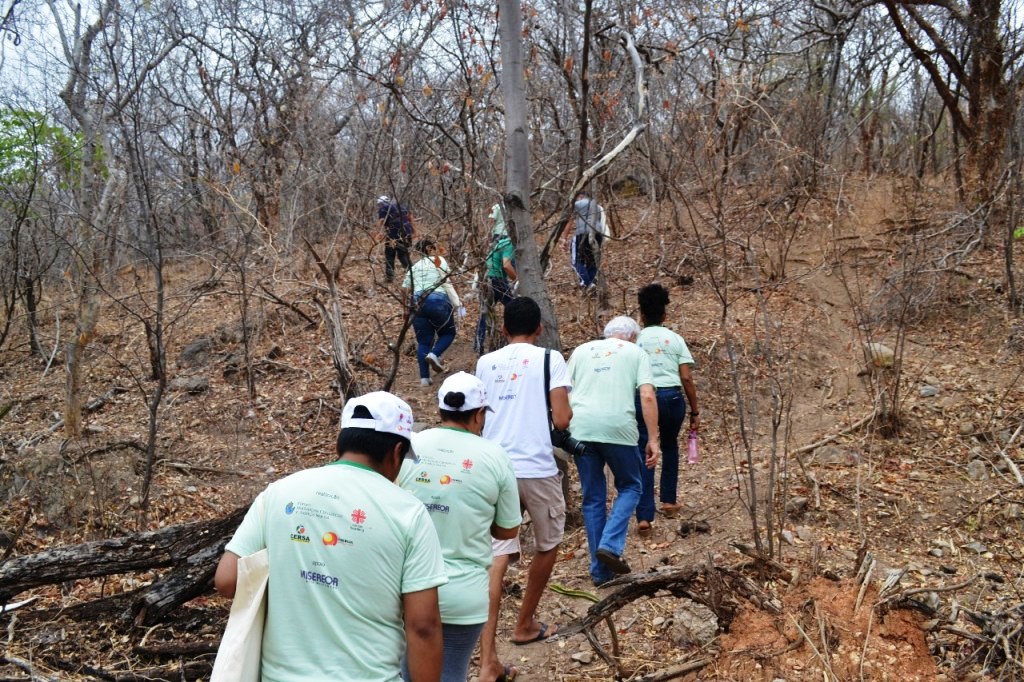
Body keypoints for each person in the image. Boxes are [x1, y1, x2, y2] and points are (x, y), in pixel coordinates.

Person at [214, 391, 446, 682]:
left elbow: (226, 580)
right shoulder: (409, 513)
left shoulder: (279, 492)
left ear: (342, 441)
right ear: (397, 452)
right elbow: (423, 625)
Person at [398, 372, 522, 682]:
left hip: (407, 587)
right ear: (479, 414)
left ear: (440, 410)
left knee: (408, 672)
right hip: (462, 592)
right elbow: (508, 531)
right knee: (450, 672)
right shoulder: (495, 457)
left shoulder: (409, 445)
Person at [474, 296, 572, 682]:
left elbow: (477, 416)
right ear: (539, 329)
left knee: (496, 557)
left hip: (494, 468)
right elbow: (561, 419)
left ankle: (487, 661)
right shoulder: (551, 359)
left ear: (502, 329)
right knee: (547, 544)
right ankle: (525, 623)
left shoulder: (484, 363)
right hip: (536, 465)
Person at [566, 316, 660, 586]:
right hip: (618, 428)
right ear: (632, 336)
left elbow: (564, 389)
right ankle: (610, 544)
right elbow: (647, 395)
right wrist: (653, 438)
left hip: (581, 428)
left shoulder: (582, 351)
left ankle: (600, 571)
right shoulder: (636, 352)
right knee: (631, 486)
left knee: (593, 498)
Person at [634, 284, 701, 535]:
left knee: (645, 450)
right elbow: (686, 378)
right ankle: (669, 501)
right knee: (670, 445)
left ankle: (644, 514)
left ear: (641, 314)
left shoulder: (635, 340)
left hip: (643, 397)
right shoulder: (675, 339)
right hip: (672, 398)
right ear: (664, 315)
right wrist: (695, 410)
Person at [403, 237, 464, 386]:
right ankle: (434, 354)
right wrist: (458, 301)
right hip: (438, 300)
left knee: (423, 341)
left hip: (417, 303)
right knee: (448, 333)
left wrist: (405, 309)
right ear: (430, 249)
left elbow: (404, 288)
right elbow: (449, 282)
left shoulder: (414, 267)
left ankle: (424, 378)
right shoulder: (439, 261)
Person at [475, 203, 517, 355]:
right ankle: (514, 340)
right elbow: (506, 265)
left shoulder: (498, 244)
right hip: (497, 279)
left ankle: (478, 345)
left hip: (486, 279)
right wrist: (517, 279)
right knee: (513, 308)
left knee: (485, 312)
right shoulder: (508, 243)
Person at [568, 192, 605, 289]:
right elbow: (601, 221)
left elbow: (569, 219)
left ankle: (587, 283)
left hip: (582, 234)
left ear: (580, 196)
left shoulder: (578, 204)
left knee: (576, 261)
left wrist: (564, 237)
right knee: (592, 261)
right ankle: (590, 283)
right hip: (597, 234)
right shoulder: (597, 207)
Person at [378, 195, 416, 282]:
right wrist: (414, 231)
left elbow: (381, 221)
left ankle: (389, 277)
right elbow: (410, 218)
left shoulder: (384, 208)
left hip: (394, 234)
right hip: (407, 233)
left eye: (379, 204)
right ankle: (413, 274)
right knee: (403, 254)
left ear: (382, 203)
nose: (379, 207)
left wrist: (379, 232)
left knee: (389, 255)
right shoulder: (401, 207)